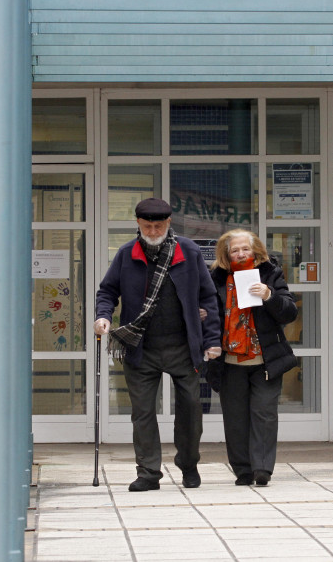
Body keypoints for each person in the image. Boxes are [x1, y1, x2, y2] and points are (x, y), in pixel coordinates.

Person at [95, 197, 222, 492]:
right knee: (142, 412)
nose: (153, 231)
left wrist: (212, 339)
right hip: (141, 347)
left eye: (159, 225)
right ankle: (149, 472)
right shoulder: (127, 253)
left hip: (183, 346)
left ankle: (188, 464)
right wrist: (103, 317)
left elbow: (207, 297)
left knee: (191, 408)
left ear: (168, 223)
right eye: (147, 226)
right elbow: (107, 290)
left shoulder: (187, 250)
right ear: (138, 224)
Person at [207, 229, 298, 487]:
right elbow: (208, 313)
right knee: (235, 418)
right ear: (226, 255)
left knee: (264, 414)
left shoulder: (271, 273)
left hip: (265, 360)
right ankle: (243, 470)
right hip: (229, 361)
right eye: (234, 250)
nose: (240, 254)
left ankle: (262, 469)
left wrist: (269, 295)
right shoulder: (216, 279)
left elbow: (289, 312)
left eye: (245, 249)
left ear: (255, 250)